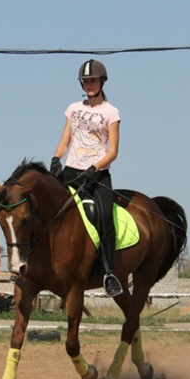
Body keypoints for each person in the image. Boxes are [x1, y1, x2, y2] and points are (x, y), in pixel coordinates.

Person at [51, 59, 123, 297]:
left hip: (97, 174)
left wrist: (94, 168)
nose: (89, 85)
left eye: (92, 81)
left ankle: (109, 273)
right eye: (85, 81)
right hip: (71, 170)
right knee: (46, 210)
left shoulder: (111, 113)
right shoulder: (73, 108)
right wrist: (56, 158)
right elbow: (65, 141)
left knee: (104, 216)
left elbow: (113, 151)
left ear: (102, 82)